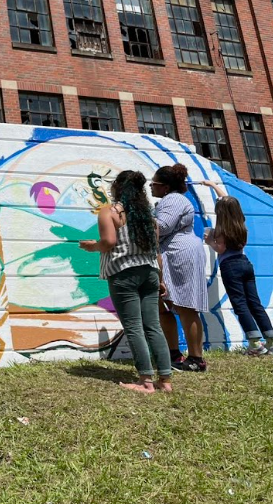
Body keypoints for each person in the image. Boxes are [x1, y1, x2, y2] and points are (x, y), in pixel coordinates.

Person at [79, 171, 172, 393]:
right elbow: (156, 252)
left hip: (123, 273)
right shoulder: (149, 218)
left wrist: (93, 246)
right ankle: (165, 381)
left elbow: (109, 242)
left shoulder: (109, 212)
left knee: (133, 326)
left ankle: (146, 382)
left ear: (119, 188)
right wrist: (160, 279)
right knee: (153, 326)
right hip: (150, 272)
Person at [201, 180, 273, 356]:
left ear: (221, 212)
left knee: (240, 304)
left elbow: (220, 249)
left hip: (230, 266)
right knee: (254, 302)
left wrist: (209, 240)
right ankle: (271, 342)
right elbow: (228, 201)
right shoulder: (240, 225)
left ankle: (254, 343)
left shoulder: (221, 229)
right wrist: (212, 185)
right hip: (245, 264)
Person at [151, 164, 209, 372]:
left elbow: (162, 226)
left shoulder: (173, 199)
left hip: (180, 255)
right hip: (170, 255)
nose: (150, 186)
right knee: (163, 307)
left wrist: (137, 218)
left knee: (186, 306)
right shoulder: (168, 200)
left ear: (165, 187)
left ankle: (196, 359)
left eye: (154, 183)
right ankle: (174, 354)